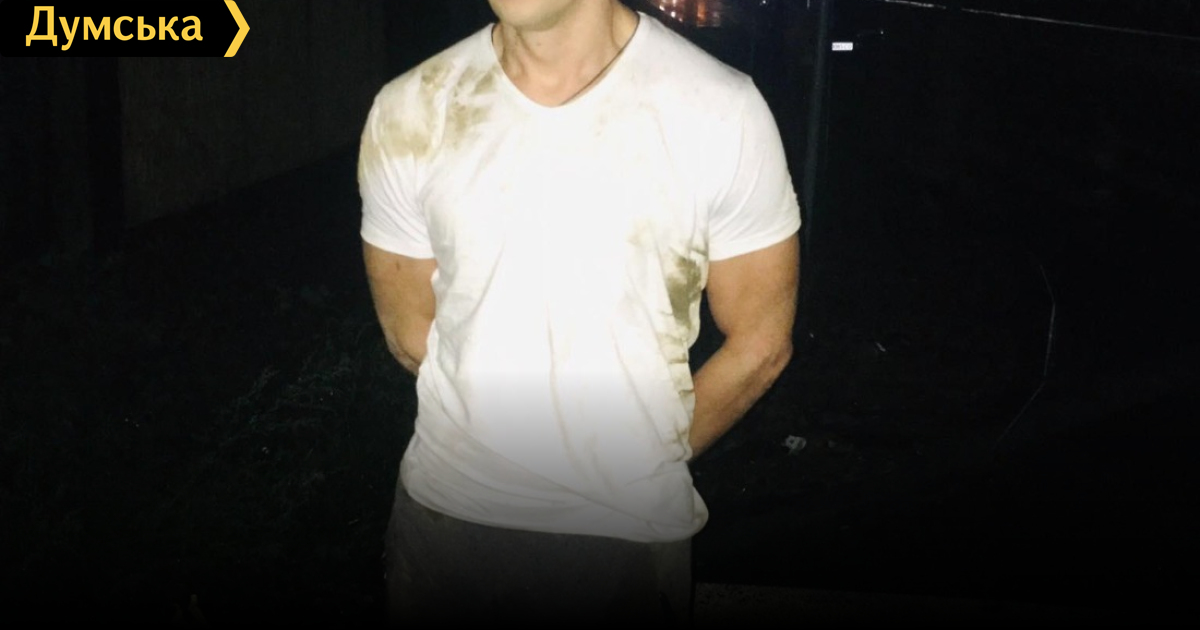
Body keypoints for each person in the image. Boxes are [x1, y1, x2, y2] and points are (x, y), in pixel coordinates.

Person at [358, 0, 801, 624]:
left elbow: (760, 342)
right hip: (443, 525)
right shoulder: (412, 107)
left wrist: (639, 460)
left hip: (626, 544)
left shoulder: (720, 110)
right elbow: (411, 332)